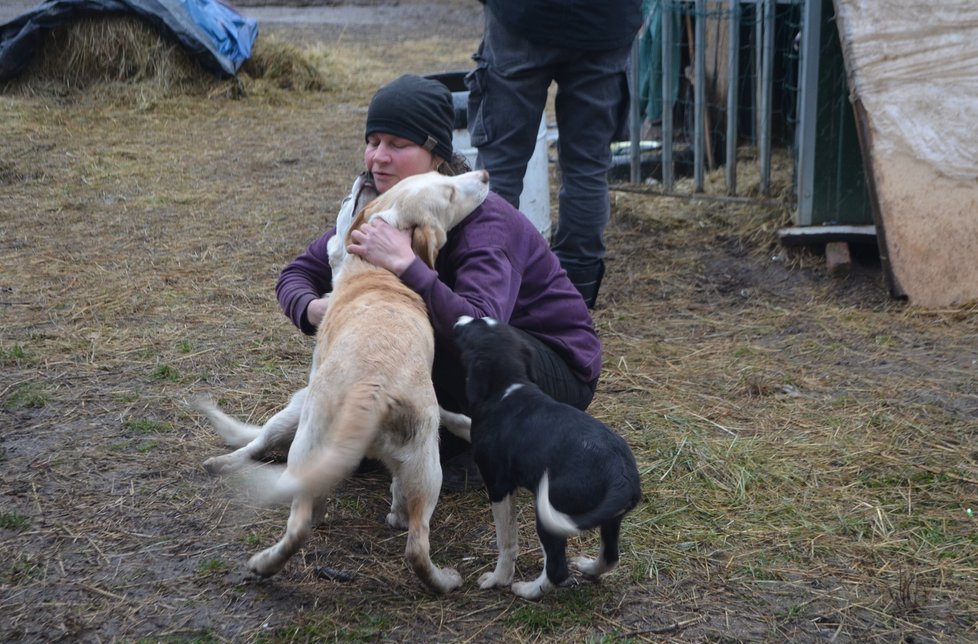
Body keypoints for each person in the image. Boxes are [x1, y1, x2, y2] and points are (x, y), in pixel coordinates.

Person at [276, 75, 602, 479]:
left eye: (398, 145)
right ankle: (420, 438)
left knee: (414, 333)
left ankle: (488, 449)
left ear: (436, 157)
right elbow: (297, 273)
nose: (379, 157)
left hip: (554, 369)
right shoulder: (386, 209)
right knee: (387, 342)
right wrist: (318, 309)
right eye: (373, 141)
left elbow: (481, 327)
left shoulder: (483, 222)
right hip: (472, 361)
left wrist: (407, 267)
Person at [465, 0, 643, 308]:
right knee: (586, 167)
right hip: (605, 22)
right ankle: (574, 298)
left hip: (523, 17)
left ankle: (487, 285)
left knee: (501, 166)